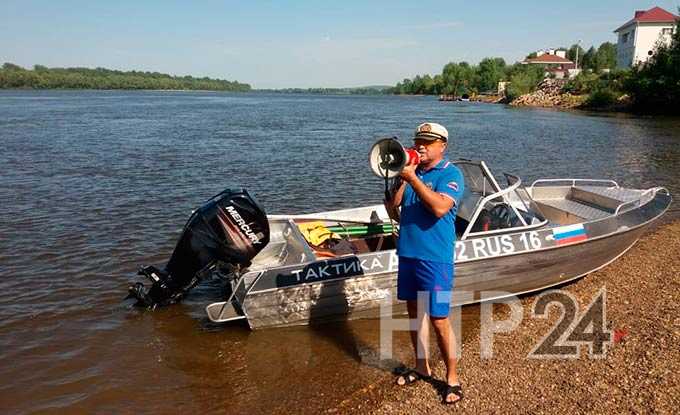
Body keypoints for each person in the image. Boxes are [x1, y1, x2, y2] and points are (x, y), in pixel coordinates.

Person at [384, 122, 465, 405]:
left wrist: (414, 179)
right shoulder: (412, 174)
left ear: (442, 145)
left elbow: (440, 207)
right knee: (414, 314)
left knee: (440, 318)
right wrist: (399, 178)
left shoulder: (451, 173)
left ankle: (452, 378)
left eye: (428, 142)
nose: (421, 145)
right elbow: (393, 212)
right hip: (408, 255)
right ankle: (421, 367)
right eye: (418, 140)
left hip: (436, 261)